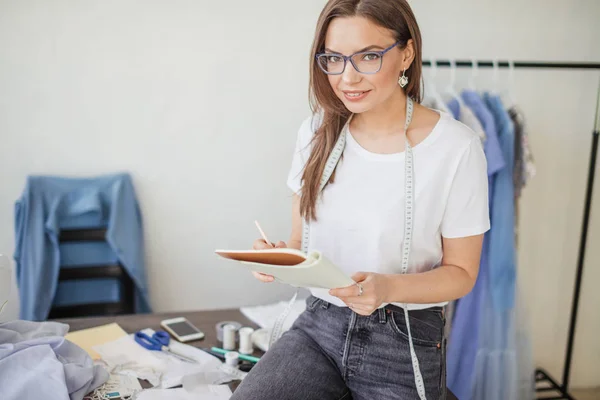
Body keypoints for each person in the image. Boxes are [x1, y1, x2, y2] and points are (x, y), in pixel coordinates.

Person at [231, 0, 489, 399]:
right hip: (319, 325)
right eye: (334, 58)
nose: (347, 77)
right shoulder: (317, 131)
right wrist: (280, 259)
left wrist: (387, 288)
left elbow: (461, 273)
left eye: (368, 56)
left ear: (406, 54)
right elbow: (302, 241)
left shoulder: (456, 147)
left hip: (402, 336)